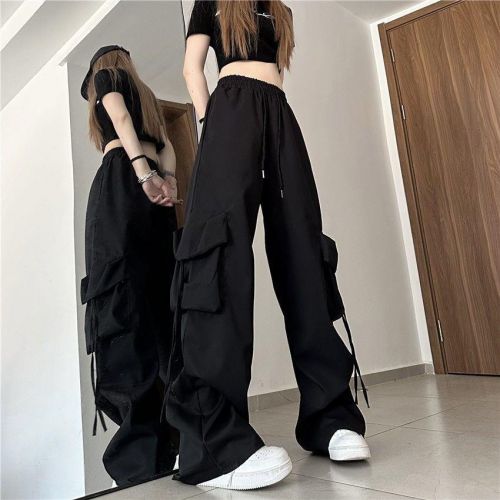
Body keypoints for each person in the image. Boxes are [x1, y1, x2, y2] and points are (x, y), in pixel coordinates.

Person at [165, 1, 371, 490]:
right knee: (220, 254)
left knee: (304, 249)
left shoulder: (280, 10)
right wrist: (212, 124)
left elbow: (276, 72)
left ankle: (330, 416)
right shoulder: (213, 2)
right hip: (228, 110)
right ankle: (213, 443)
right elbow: (193, 67)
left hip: (279, 112)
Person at [80, 45, 180, 486]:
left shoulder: (107, 79)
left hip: (123, 186)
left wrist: (140, 173)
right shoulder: (151, 100)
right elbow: (169, 148)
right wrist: (165, 180)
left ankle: (139, 459)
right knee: (163, 306)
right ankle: (177, 438)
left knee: (118, 302)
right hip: (156, 202)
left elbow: (118, 116)